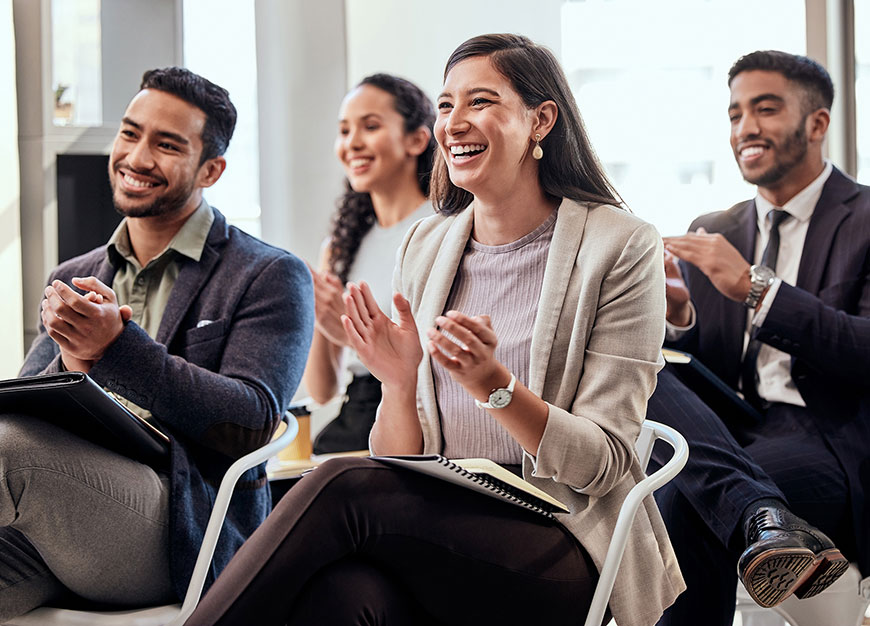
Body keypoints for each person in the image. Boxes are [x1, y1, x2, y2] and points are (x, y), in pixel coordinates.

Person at [185, 33, 683, 626]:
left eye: (480, 102)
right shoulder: (429, 244)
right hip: (442, 533)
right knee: (342, 595)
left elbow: (602, 464)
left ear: (541, 119)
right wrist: (398, 384)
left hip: (563, 546)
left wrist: (494, 386)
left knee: (341, 481)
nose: (454, 123)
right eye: (446, 105)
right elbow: (401, 458)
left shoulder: (620, 245)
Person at [0, 67, 314, 619]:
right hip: (63, 524)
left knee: (7, 449)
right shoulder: (74, 273)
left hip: (180, 528)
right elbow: (28, 402)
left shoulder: (268, 273)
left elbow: (252, 421)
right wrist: (75, 362)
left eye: (167, 145)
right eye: (130, 133)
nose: (137, 157)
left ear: (211, 169)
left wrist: (116, 349)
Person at [648, 50, 868, 626]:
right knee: (640, 360)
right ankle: (763, 514)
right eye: (734, 114)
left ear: (816, 124)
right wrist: (679, 317)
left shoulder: (868, 217)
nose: (745, 128)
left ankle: (758, 512)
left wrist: (755, 288)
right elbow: (699, 369)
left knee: (685, 500)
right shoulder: (714, 229)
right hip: (728, 431)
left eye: (765, 109)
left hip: (825, 436)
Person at [305, 73, 435, 454]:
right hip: (356, 414)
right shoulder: (340, 248)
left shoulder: (444, 229)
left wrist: (352, 337)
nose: (352, 143)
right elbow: (322, 390)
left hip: (419, 412)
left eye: (371, 126)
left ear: (417, 139)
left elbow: (436, 364)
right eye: (344, 131)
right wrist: (322, 320)